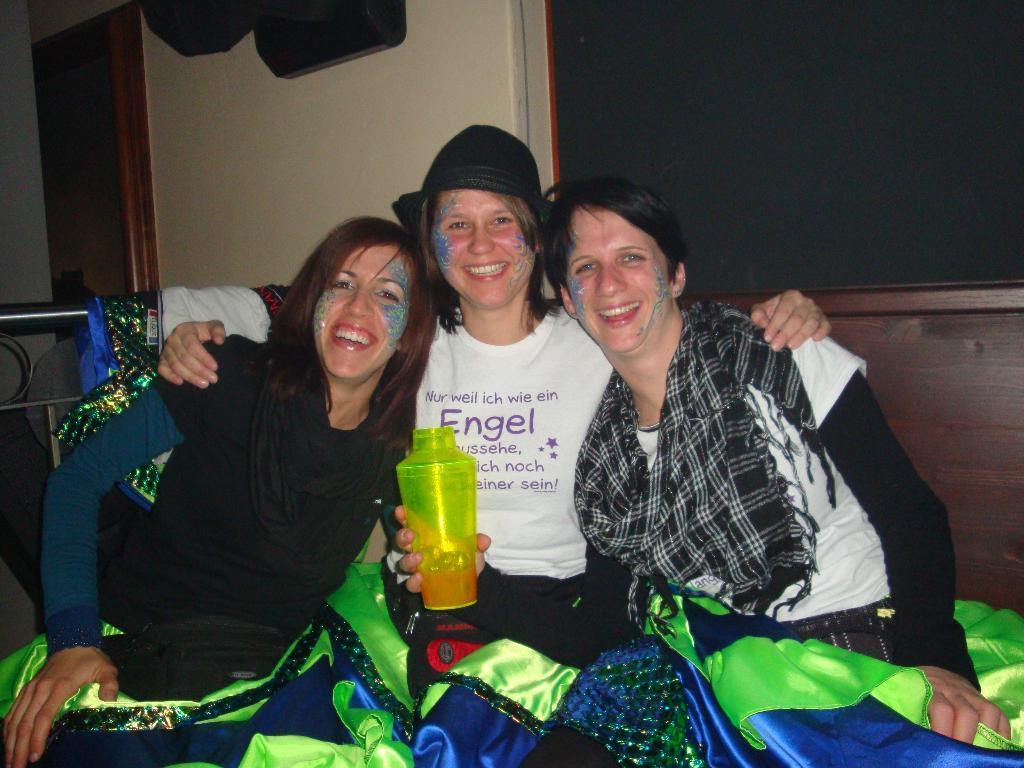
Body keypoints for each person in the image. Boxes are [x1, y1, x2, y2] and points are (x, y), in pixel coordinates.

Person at [154, 126, 831, 695]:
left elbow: (673, 328)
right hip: (419, 611)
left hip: (559, 618)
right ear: (433, 243)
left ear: (536, 236)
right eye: (457, 224)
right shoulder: (407, 341)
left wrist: (783, 313)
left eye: (502, 221)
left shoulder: (597, 338)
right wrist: (192, 328)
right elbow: (315, 314)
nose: (480, 246)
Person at [537, 176, 1013, 755]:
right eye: (585, 267)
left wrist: (938, 663)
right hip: (712, 667)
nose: (609, 283)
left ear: (677, 274)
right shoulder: (604, 454)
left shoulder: (780, 353)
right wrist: (477, 593)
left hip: (856, 650)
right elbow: (607, 622)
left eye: (632, 257)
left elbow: (911, 514)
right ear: (569, 299)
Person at [2, 217, 434, 768]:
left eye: (388, 294)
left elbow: (419, 562)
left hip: (278, 682)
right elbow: (76, 482)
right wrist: (73, 640)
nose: (357, 307)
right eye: (342, 283)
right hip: (138, 655)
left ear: (410, 330)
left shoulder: (399, 446)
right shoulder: (225, 372)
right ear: (313, 301)